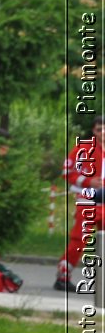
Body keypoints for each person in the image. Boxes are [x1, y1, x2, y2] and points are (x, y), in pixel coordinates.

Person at [56, 117, 103, 292]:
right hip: (87, 201)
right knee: (79, 240)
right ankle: (63, 276)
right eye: (99, 129)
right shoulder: (83, 149)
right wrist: (88, 182)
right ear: (93, 130)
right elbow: (67, 172)